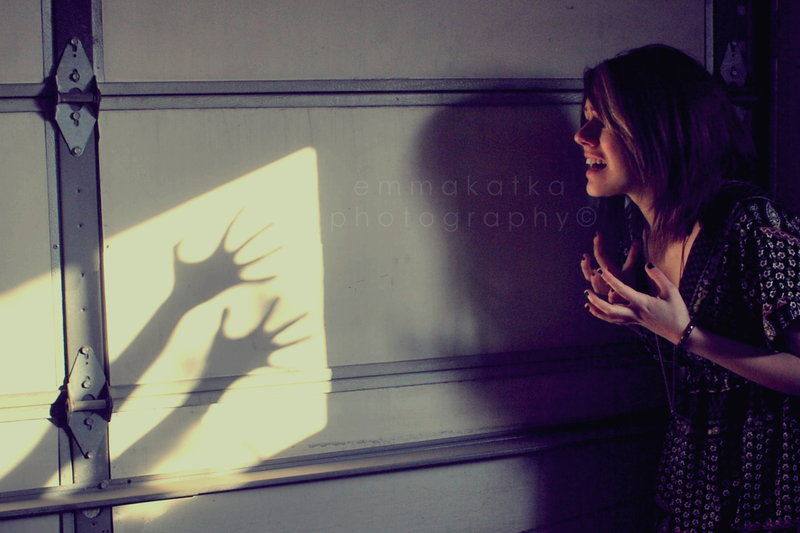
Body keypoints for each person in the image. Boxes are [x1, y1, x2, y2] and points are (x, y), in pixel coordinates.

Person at [576, 44, 800, 532]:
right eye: (586, 117)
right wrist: (636, 315)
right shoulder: (641, 232)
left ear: (660, 129)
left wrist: (685, 334)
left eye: (603, 122)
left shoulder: (751, 224)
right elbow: (693, 366)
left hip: (773, 490)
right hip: (692, 484)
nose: (581, 136)